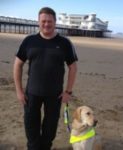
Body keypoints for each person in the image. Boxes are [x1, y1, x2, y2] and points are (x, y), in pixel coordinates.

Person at [13, 7, 78, 150]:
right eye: (43, 21)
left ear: (55, 22)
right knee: (31, 129)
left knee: (49, 129)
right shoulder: (29, 41)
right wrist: (19, 91)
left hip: (55, 95)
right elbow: (18, 65)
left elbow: (73, 67)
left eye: (49, 21)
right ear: (38, 22)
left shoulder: (65, 43)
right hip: (31, 94)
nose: (46, 24)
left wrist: (68, 91)